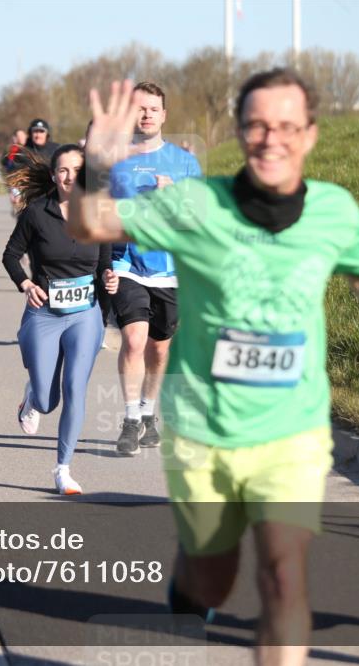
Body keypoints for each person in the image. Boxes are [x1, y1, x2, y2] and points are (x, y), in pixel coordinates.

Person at [69, 73, 359, 666]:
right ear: (242, 133)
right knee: (211, 576)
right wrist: (95, 164)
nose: (271, 139)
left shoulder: (333, 209)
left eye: (287, 127)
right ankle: (190, 604)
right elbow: (89, 225)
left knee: (282, 576)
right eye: (257, 126)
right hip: (204, 432)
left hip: (292, 431)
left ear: (310, 134)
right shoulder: (195, 204)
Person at [2, 145, 118, 494]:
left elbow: (104, 268)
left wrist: (110, 282)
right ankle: (33, 395)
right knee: (48, 400)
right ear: (54, 175)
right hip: (46, 312)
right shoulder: (37, 213)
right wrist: (24, 282)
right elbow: (10, 255)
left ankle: (63, 469)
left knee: (75, 389)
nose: (69, 176)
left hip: (85, 314)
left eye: (76, 170)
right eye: (63, 170)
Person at [107, 81, 203, 456]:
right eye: (139, 108)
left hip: (170, 271)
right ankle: (130, 420)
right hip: (127, 263)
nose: (145, 114)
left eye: (152, 108)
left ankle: (149, 414)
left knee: (159, 352)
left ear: (163, 115)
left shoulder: (185, 164)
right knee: (133, 340)